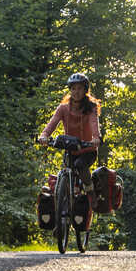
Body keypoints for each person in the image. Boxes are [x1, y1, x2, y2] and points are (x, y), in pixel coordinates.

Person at [38, 73, 101, 203]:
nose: (76, 92)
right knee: (65, 172)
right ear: (70, 90)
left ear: (85, 90)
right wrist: (44, 135)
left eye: (79, 88)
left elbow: (94, 123)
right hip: (70, 149)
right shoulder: (63, 108)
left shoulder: (91, 108)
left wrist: (95, 138)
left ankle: (90, 192)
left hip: (87, 150)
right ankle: (62, 203)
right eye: (73, 88)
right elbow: (52, 123)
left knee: (80, 165)